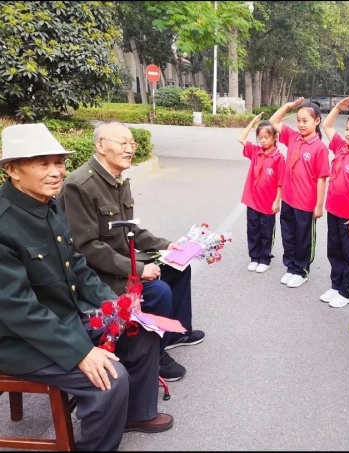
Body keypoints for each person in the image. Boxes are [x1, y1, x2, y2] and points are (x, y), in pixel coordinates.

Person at [0, 123, 173, 451]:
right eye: (43, 164)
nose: (56, 172)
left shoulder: (48, 205)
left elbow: (77, 266)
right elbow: (18, 309)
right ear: (12, 170)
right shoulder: (4, 223)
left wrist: (117, 307)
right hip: (19, 340)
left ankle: (135, 413)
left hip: (66, 318)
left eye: (59, 162)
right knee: (109, 379)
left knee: (141, 329)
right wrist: (80, 352)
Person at [58, 121, 205, 383]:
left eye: (132, 143)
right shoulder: (80, 185)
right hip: (98, 274)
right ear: (100, 145)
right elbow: (86, 247)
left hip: (122, 260)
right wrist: (138, 269)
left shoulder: (117, 179)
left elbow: (130, 230)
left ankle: (174, 334)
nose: (130, 149)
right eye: (123, 143)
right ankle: (154, 357)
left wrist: (165, 245)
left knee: (178, 267)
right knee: (159, 291)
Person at [269, 98, 330, 288]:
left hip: (305, 203)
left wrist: (319, 205)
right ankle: (291, 267)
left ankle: (301, 270)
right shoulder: (293, 137)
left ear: (317, 121)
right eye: (298, 120)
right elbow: (273, 121)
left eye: (305, 121)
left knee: (303, 238)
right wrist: (288, 107)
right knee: (288, 235)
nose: (301, 124)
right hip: (288, 199)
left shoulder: (320, 148)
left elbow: (321, 178)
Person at [319, 95, 349, 308]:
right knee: (334, 249)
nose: (348, 133)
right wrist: (338, 107)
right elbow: (327, 126)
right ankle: (335, 285)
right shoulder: (340, 147)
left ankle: (347, 291)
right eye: (347, 129)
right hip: (333, 210)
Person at [238, 112, 285, 274]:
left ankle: (265, 258)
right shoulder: (255, 151)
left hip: (267, 203)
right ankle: (254, 257)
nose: (263, 140)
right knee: (252, 229)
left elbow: (280, 182)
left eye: (266, 137)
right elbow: (242, 139)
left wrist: (277, 200)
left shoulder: (278, 158)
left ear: (275, 138)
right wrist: (252, 123)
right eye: (260, 137)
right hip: (252, 200)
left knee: (266, 231)